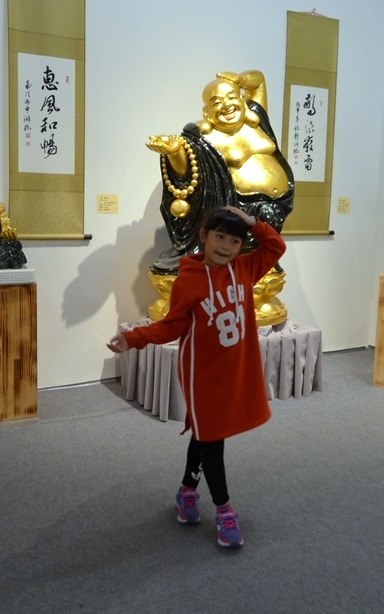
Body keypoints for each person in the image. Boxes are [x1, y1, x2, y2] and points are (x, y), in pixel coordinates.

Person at [107, 205, 286, 548]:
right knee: (213, 442)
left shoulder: (245, 268)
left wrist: (252, 222)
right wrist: (134, 338)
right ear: (204, 236)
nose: (226, 246)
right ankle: (224, 510)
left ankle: (187, 491)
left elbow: (276, 246)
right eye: (220, 237)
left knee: (205, 436)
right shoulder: (188, 280)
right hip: (202, 375)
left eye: (235, 241)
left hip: (234, 372)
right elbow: (171, 326)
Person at [146, 70, 294, 275]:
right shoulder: (203, 138)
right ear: (206, 112)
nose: (226, 105)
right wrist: (174, 152)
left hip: (278, 205)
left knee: (266, 256)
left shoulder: (257, 119)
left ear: (242, 100)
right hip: (237, 210)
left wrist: (240, 80)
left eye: (232, 97)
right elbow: (186, 174)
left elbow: (258, 81)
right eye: (217, 102)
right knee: (237, 261)